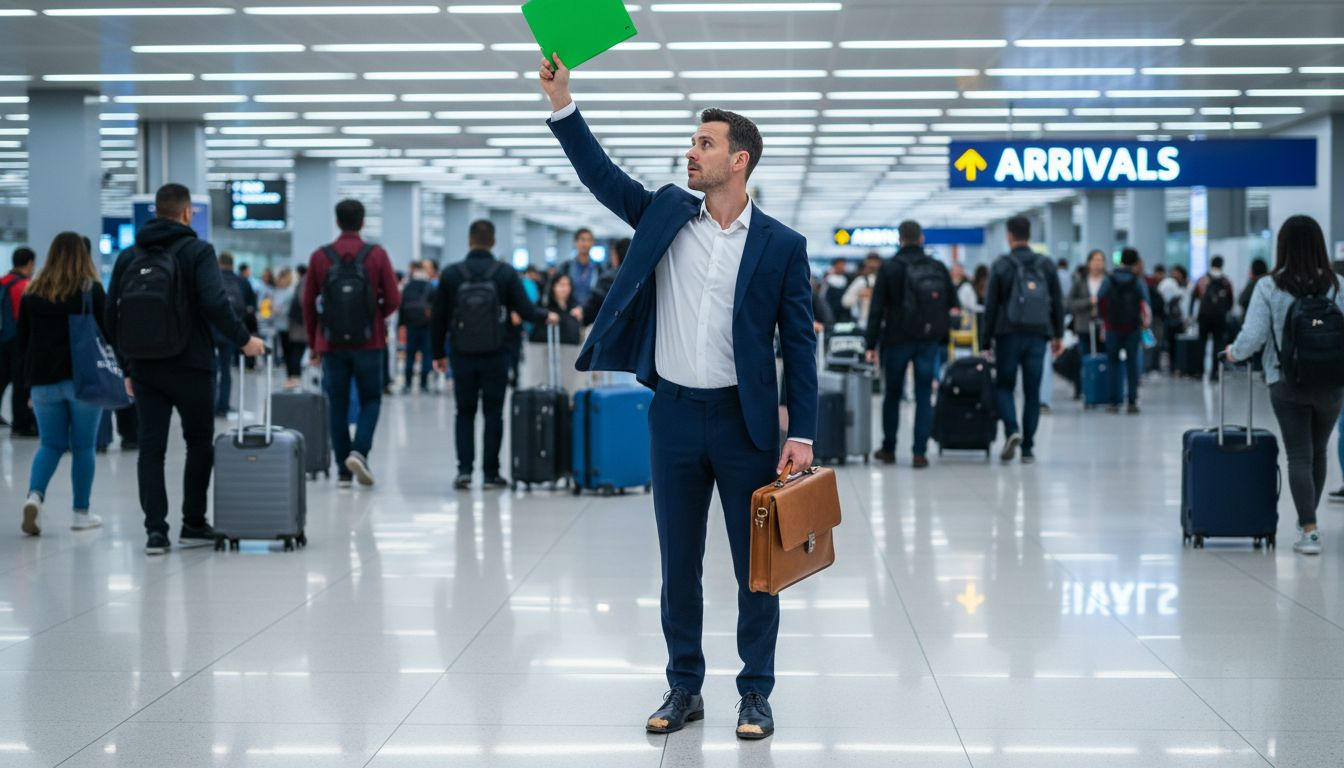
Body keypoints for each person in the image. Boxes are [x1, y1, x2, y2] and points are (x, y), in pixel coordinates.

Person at [541, 53, 817, 741]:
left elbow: (799, 345)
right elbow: (602, 176)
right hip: (673, 416)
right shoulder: (666, 213)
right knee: (678, 564)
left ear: (739, 161)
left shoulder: (782, 246)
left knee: (758, 567)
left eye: (705, 144)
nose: (691, 152)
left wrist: (802, 432)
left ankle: (755, 693)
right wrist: (563, 103)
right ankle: (684, 685)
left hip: (745, 424)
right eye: (693, 142)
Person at [106, 183, 266, 555]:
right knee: (198, 442)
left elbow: (111, 314)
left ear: (156, 211)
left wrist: (127, 364)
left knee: (151, 448)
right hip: (192, 364)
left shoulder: (129, 257)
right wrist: (244, 340)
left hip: (145, 366)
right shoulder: (198, 251)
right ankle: (193, 523)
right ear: (187, 212)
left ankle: (155, 533)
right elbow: (215, 303)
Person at [1226, 215, 1344, 555]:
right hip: (1331, 383)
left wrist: (1234, 353)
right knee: (1318, 450)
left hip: (1287, 381)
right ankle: (1309, 522)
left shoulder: (1269, 286)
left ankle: (1309, 529)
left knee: (1299, 456)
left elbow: (1253, 336)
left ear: (1283, 246)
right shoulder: (1337, 284)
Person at [430, 219, 556, 491]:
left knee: (464, 413)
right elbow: (526, 311)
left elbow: (438, 318)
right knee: (493, 413)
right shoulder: (505, 273)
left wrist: (438, 353)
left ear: (469, 240)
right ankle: (491, 474)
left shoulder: (451, 274)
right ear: (493, 242)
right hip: (496, 353)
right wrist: (547, 316)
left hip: (462, 353)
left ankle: (464, 472)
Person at [301, 199, 401, 489]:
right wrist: (374, 317)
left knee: (338, 403)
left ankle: (343, 472)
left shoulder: (320, 256)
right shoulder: (377, 254)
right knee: (371, 399)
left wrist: (314, 343)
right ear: (363, 222)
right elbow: (394, 299)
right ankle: (359, 451)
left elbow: (308, 302)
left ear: (337, 221)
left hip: (331, 344)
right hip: (370, 342)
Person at [17, 233, 109, 535]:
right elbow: (108, 334)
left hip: (43, 382)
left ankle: (34, 496)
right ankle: (80, 513)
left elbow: (23, 343)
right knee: (83, 447)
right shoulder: (91, 290)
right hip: (83, 381)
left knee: (50, 444)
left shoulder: (32, 293)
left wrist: (27, 386)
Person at [863, 221, 957, 468]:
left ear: (900, 239)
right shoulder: (936, 266)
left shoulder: (890, 267)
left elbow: (876, 309)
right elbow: (952, 302)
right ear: (921, 238)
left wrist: (870, 344)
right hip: (928, 340)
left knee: (892, 394)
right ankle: (920, 452)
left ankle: (889, 448)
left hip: (896, 340)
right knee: (924, 395)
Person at [980, 215, 1064, 464]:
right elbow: (1057, 302)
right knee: (1032, 391)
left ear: (1009, 236)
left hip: (1007, 334)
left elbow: (990, 306)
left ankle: (1012, 430)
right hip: (1038, 334)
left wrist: (985, 341)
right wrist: (1058, 334)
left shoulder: (1002, 265)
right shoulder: (1046, 264)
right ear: (1029, 235)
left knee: (1004, 386)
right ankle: (1028, 449)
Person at [1097, 247, 1152, 413]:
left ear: (1121, 260)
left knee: (1113, 364)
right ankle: (1132, 402)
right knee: (1132, 364)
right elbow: (1146, 303)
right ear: (1135, 262)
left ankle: (1113, 402)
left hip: (1112, 327)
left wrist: (1104, 319)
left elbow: (1100, 298)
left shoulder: (1109, 279)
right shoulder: (1137, 281)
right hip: (1132, 328)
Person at [213, 252, 257, 417]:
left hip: (211, 331)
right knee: (226, 368)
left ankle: (210, 404)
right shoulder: (242, 281)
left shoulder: (213, 279)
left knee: (211, 368)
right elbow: (251, 308)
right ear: (232, 264)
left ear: (219, 263)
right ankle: (223, 406)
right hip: (231, 331)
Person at [0, 246, 37, 436]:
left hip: (2, 339)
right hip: (18, 342)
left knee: (1, 380)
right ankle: (21, 425)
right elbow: (22, 318)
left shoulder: (2, 282)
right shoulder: (25, 285)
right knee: (21, 383)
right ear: (30, 263)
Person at [1067, 250, 1108, 399]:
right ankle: (1083, 389)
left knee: (1104, 358)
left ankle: (1102, 389)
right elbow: (1070, 303)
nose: (1097, 264)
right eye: (1095, 260)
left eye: (1100, 260)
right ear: (1089, 263)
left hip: (1104, 326)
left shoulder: (1108, 281)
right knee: (1083, 358)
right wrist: (1088, 302)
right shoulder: (1080, 281)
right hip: (1084, 326)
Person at [1193, 255, 1235, 382]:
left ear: (1211, 264)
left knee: (1201, 343)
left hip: (1204, 317)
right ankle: (1215, 372)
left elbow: (1194, 296)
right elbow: (1231, 301)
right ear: (1222, 265)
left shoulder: (1202, 280)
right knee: (1218, 344)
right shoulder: (1226, 281)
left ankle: (1199, 372)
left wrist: (1192, 314)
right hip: (1219, 318)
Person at [399, 262, 434, 394]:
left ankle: (408, 383)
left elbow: (401, 306)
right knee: (427, 354)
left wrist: (401, 324)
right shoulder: (429, 286)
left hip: (411, 325)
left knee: (410, 354)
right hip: (427, 325)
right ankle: (424, 383)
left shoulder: (408, 286)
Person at [577, 237, 628, 326]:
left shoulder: (607, 278)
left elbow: (594, 302)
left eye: (613, 254)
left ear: (618, 255)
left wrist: (581, 311)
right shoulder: (639, 278)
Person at [554, 228, 603, 306]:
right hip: (570, 308)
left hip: (592, 309)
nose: (585, 244)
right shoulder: (566, 266)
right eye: (582, 240)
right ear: (575, 242)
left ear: (592, 243)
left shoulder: (598, 268)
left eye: (589, 240)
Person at [841, 252, 883, 328]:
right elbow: (845, 302)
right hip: (863, 323)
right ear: (866, 265)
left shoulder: (885, 281)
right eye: (870, 266)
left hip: (882, 322)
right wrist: (859, 294)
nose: (872, 268)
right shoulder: (860, 281)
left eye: (874, 266)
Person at [822, 259, 851, 324]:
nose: (841, 267)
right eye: (839, 265)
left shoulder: (848, 278)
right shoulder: (828, 278)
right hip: (831, 308)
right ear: (834, 266)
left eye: (843, 265)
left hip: (844, 311)